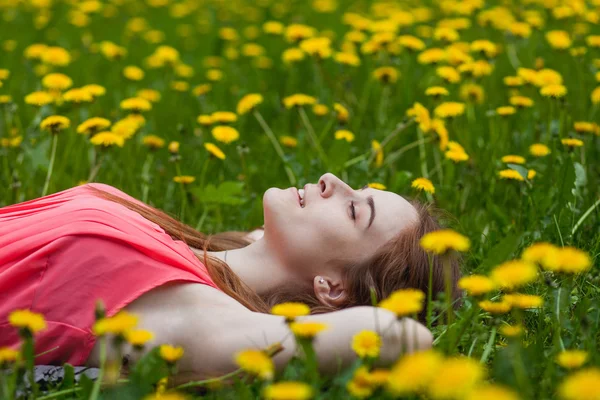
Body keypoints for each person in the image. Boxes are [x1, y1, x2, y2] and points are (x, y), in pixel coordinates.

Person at [0, 173, 460, 386]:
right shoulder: (188, 250)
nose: (330, 180)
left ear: (334, 287)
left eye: (355, 210)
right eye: (357, 186)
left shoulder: (196, 314)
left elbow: (400, 335)